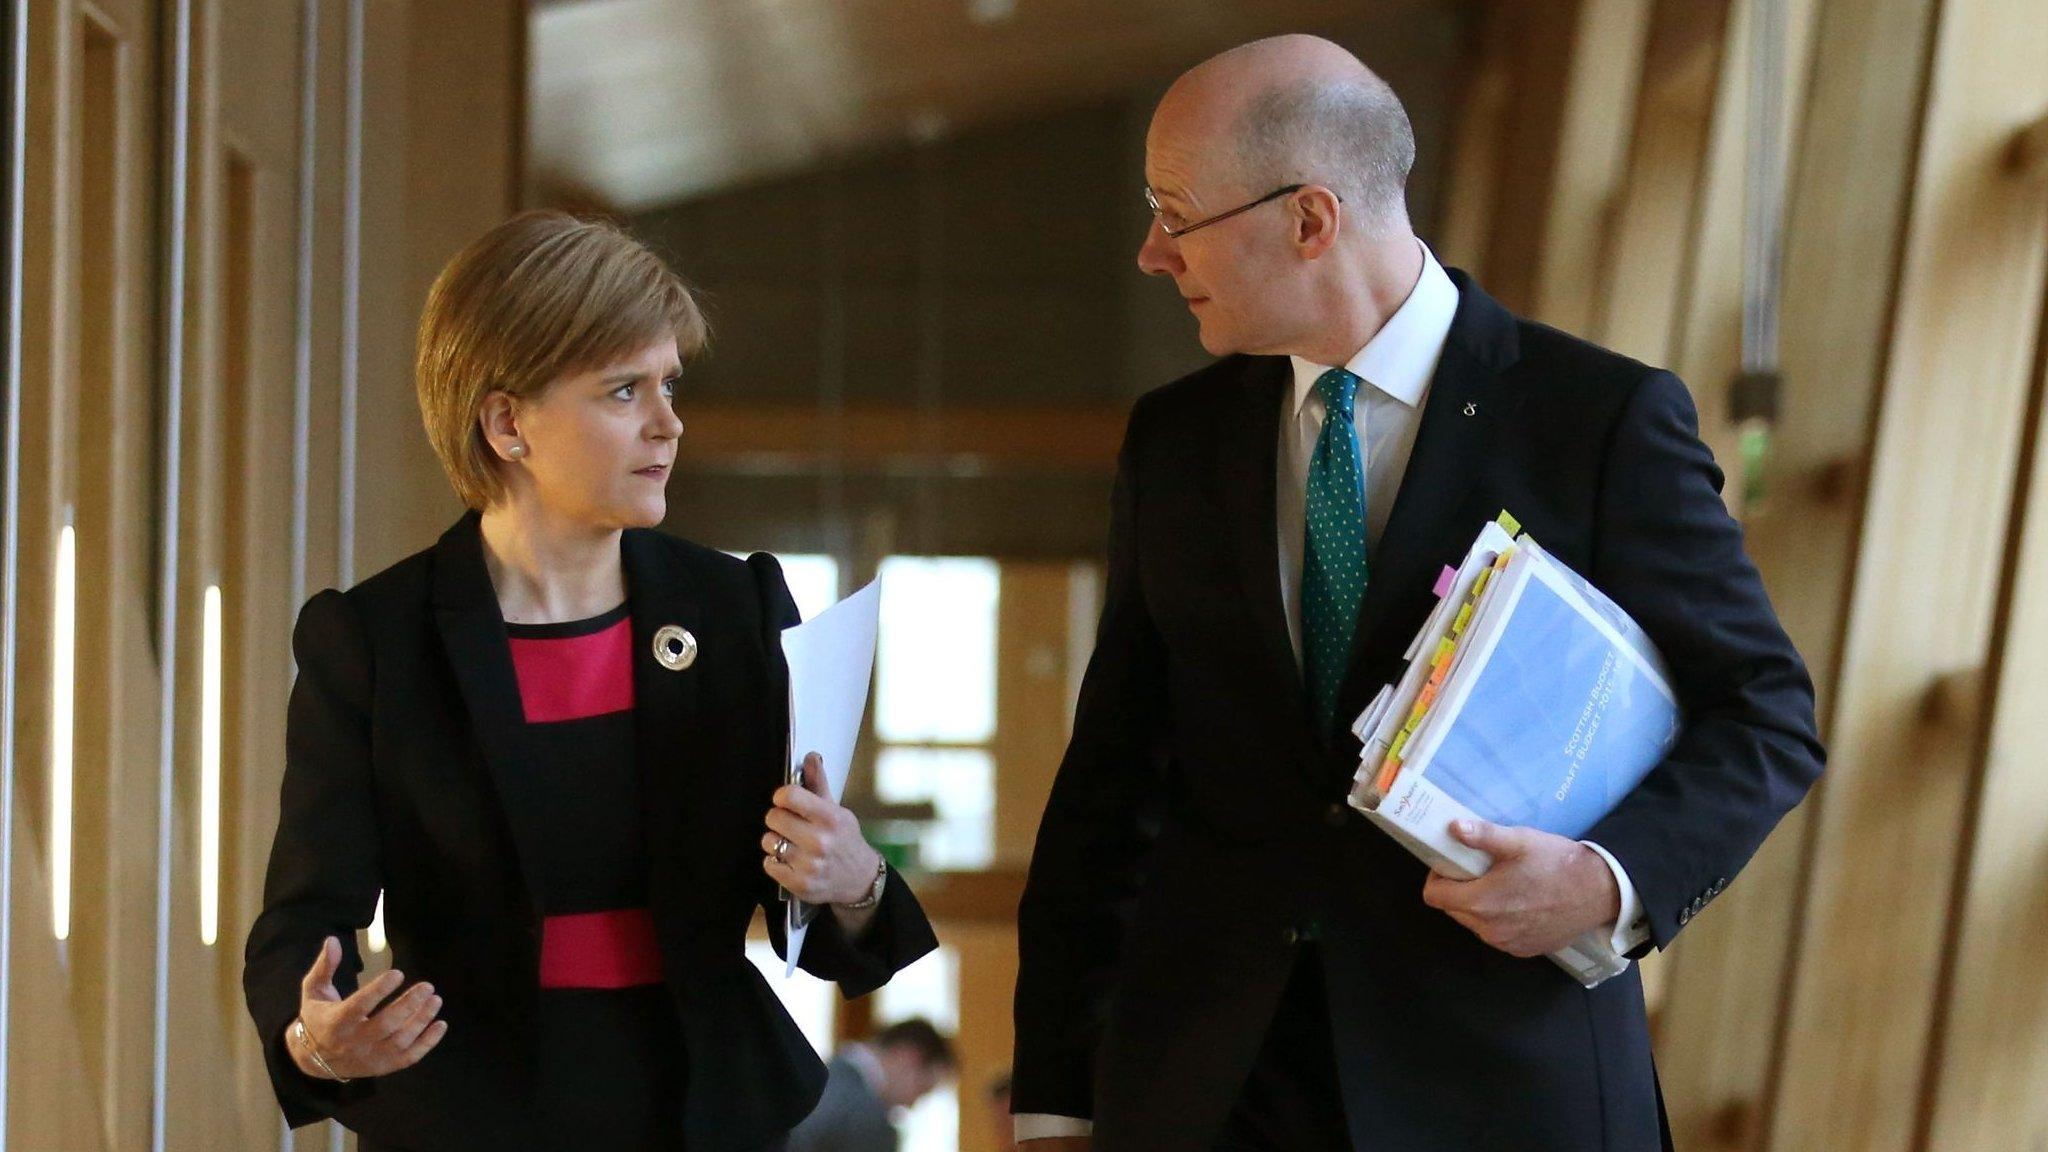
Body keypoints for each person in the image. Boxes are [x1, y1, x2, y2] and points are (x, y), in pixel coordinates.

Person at [1010, 35, 1824, 1152]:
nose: (1151, 253)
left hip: (1498, 1087)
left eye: (1174, 211)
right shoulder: (1175, 440)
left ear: (1309, 220)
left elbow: (1764, 713)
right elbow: (1108, 786)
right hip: (1209, 1092)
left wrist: (1602, 882)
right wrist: (1056, 1099)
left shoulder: (1594, 419)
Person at [242, 210, 938, 1152]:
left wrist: (853, 880)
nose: (669, 423)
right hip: (469, 1114)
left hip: (705, 1110)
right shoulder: (373, 641)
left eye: (669, 384)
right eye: (623, 391)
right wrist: (316, 1044)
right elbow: (305, 920)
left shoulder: (737, 610)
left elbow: (815, 914)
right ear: (506, 422)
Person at [786, 1018, 957, 1152]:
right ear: (909, 1057)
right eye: (922, 1089)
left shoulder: (811, 1076)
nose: (911, 1105)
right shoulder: (871, 1121)